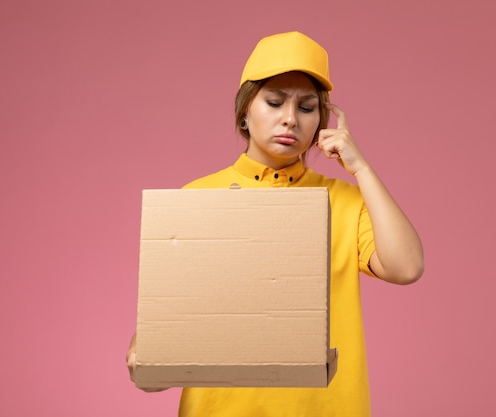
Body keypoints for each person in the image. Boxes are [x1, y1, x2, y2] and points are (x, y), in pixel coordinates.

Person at [126, 31, 424, 417]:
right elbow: (163, 326)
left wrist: (361, 168)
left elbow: (407, 267)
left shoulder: (345, 200)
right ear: (244, 111)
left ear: (322, 119)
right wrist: (146, 356)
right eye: (274, 102)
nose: (290, 119)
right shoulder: (198, 197)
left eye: (307, 107)